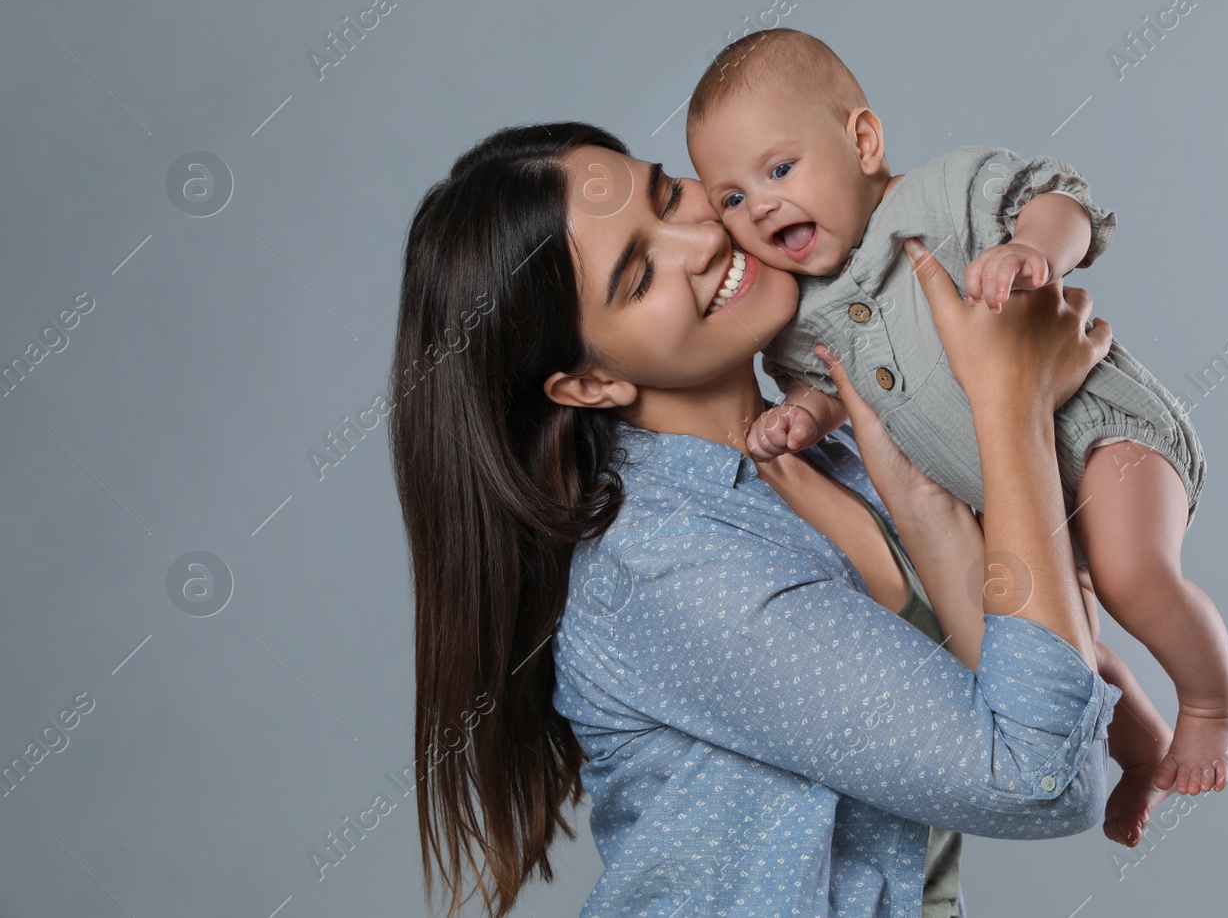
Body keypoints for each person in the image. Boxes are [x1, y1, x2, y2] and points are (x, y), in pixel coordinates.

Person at [389, 122, 1140, 918]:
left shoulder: (839, 438)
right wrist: (1010, 402)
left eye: (668, 192)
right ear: (587, 383)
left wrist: (980, 435)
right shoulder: (663, 564)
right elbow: (1041, 780)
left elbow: (1044, 712)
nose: (699, 238)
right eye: (641, 274)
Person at [685, 29, 1228, 817]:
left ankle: (1211, 704)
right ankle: (1136, 744)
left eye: (779, 168)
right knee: (1047, 649)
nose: (762, 202)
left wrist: (1031, 249)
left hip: (1103, 434)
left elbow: (1063, 198)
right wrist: (801, 419)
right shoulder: (797, 316)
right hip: (1013, 499)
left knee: (1128, 574)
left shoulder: (942, 196)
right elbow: (830, 391)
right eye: (733, 198)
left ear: (863, 141)